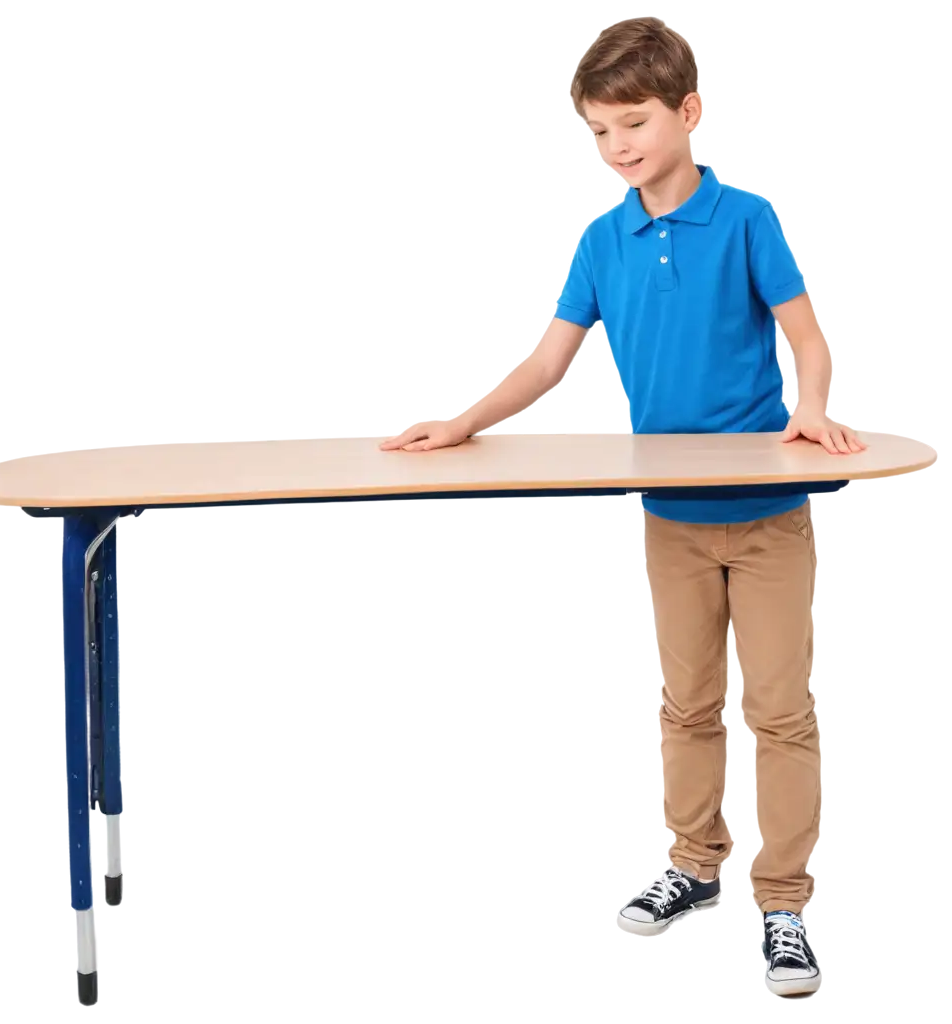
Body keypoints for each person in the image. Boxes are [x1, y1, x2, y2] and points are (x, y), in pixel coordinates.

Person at [380, 14, 864, 999]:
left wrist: (811, 406)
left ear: (688, 111)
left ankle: (784, 907)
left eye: (632, 122)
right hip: (670, 515)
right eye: (598, 132)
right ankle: (690, 868)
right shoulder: (600, 239)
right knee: (684, 703)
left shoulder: (745, 219)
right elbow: (549, 359)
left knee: (779, 712)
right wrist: (464, 419)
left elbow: (805, 335)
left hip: (767, 511)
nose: (616, 147)